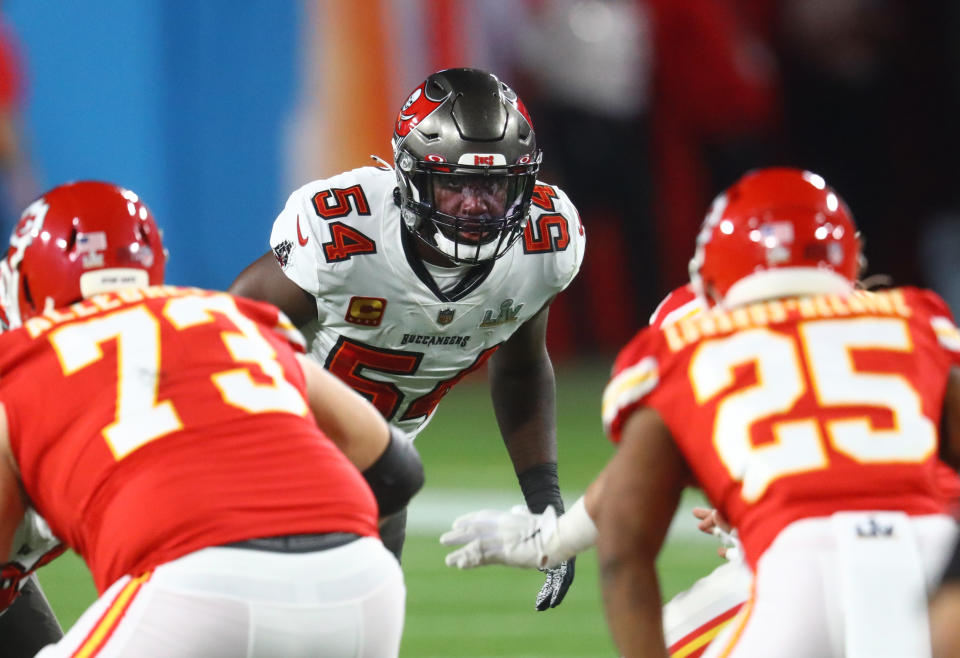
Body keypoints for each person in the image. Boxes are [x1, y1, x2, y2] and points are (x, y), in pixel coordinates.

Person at [443, 167, 960, 656]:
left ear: (713, 274)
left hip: (796, 566)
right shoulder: (914, 318)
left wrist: (556, 539)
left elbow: (626, 537)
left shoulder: (688, 338)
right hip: (937, 550)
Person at [0, 180, 425, 657]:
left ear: (24, 279)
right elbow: (396, 469)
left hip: (194, 588)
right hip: (363, 588)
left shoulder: (25, 359)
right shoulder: (230, 318)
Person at [229, 67, 585, 610]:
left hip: (383, 471)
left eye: (492, 185)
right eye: (455, 184)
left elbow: (520, 365)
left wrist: (546, 503)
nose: (475, 205)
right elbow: (230, 332)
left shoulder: (543, 244)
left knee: (363, 635)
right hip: (280, 459)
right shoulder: (345, 234)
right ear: (412, 176)